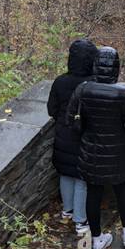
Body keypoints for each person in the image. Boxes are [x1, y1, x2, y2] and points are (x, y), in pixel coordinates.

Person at [68, 46, 125, 249]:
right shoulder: (124, 94)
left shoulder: (83, 90)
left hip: (91, 151)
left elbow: (70, 119)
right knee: (121, 189)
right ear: (116, 69)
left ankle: (97, 238)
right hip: (118, 151)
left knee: (94, 192)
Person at [47, 39, 97, 233]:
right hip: (84, 136)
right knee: (82, 177)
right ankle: (80, 220)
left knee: (66, 172)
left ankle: (67, 211)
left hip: (63, 133)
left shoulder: (60, 81)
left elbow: (52, 109)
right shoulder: (92, 84)